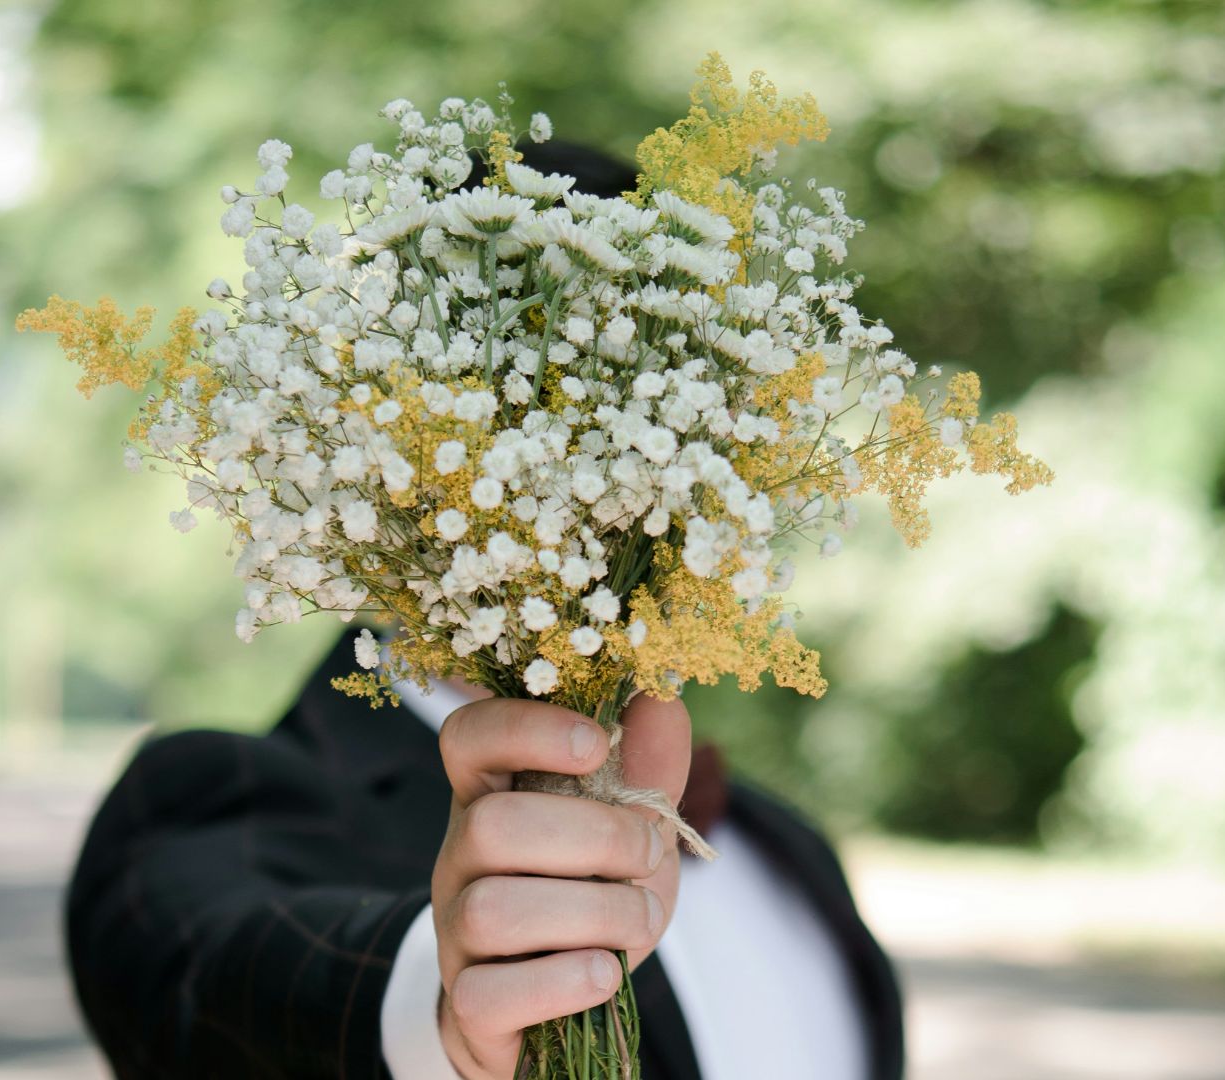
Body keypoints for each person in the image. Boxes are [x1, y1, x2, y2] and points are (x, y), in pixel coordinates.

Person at [63, 144, 906, 1080]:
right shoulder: (208, 806)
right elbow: (213, 983)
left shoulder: (784, 845)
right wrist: (445, 1013)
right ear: (400, 441)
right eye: (549, 411)